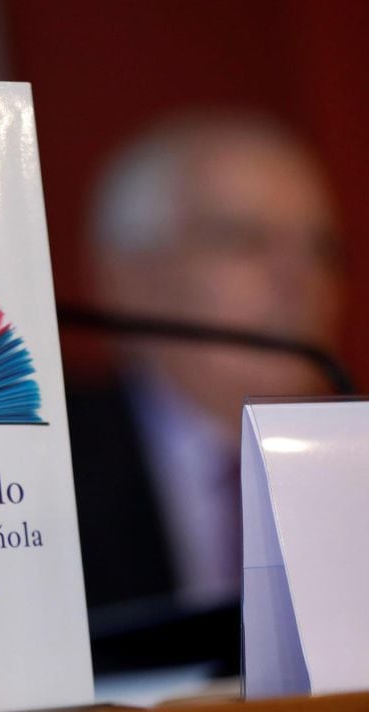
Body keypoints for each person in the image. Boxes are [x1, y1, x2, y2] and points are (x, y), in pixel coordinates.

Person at [68, 114, 346, 674]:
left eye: (323, 249)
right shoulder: (37, 470)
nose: (299, 277)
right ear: (128, 278)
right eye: (243, 240)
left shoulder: (351, 459)